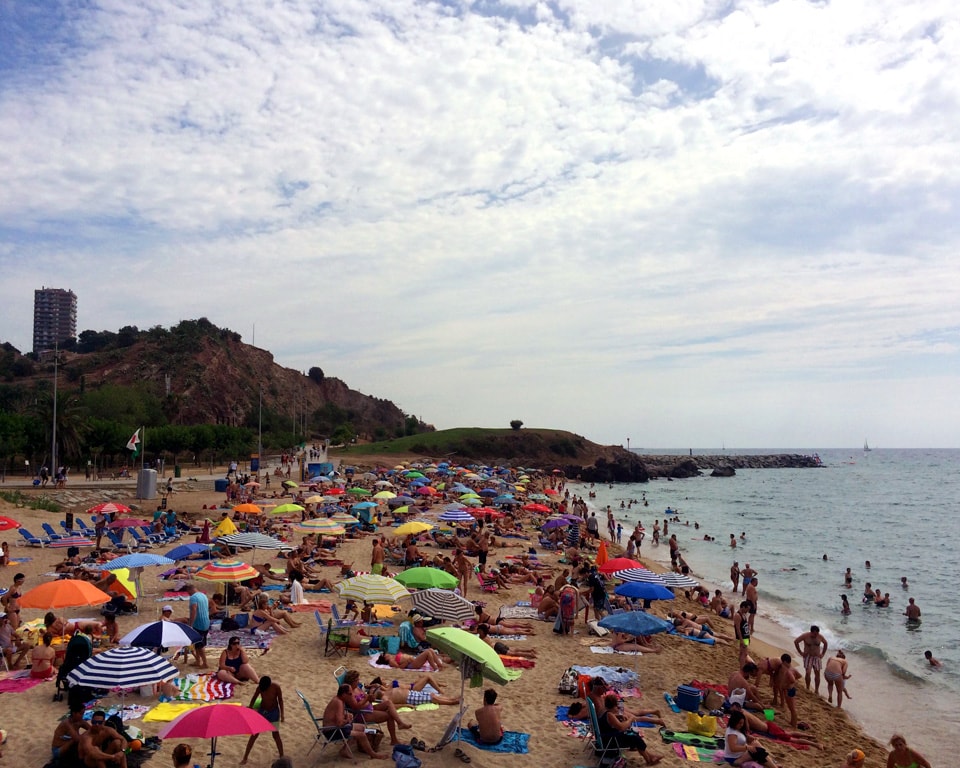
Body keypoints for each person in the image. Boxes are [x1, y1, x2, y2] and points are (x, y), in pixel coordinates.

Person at [341, 670, 413, 744]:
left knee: (388, 703)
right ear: (352, 681)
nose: (358, 681)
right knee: (390, 715)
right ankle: (394, 740)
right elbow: (356, 707)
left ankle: (400, 723)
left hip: (369, 707)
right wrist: (367, 699)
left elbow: (365, 696)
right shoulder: (349, 693)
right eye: (357, 680)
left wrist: (371, 696)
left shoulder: (357, 688)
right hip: (363, 714)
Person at [322, 684, 388, 759]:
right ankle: (373, 754)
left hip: (334, 728)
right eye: (350, 694)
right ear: (344, 694)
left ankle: (345, 750)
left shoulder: (338, 699)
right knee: (362, 735)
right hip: (333, 731)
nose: (351, 696)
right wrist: (348, 720)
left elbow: (337, 717)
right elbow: (339, 723)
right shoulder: (338, 703)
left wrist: (346, 716)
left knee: (362, 727)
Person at [597, 693, 663, 765]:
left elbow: (611, 721)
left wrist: (617, 716)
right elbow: (622, 727)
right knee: (635, 737)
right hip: (610, 741)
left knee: (634, 736)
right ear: (615, 705)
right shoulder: (609, 715)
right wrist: (630, 720)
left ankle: (650, 756)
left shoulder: (604, 712)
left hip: (605, 738)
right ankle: (649, 760)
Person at [240, 676, 284, 764]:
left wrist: (282, 714)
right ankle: (245, 757)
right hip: (263, 711)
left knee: (275, 735)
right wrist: (250, 707)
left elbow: (280, 700)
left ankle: (282, 756)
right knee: (254, 734)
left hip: (274, 712)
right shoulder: (260, 687)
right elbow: (254, 697)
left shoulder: (276, 687)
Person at [794, 625, 828, 693]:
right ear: (811, 632)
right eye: (814, 634)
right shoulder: (805, 636)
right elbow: (796, 641)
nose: (816, 635)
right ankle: (807, 688)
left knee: (817, 673)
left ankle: (816, 690)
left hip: (817, 657)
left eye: (817, 633)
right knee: (808, 672)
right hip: (808, 656)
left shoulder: (820, 636)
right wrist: (800, 652)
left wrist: (823, 654)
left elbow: (825, 643)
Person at [184, 584, 210, 669]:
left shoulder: (193, 598)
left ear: (190, 590)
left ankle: (205, 663)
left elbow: (194, 610)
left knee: (199, 644)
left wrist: (190, 624)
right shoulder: (203, 595)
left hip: (198, 623)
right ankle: (198, 661)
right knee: (198, 643)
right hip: (206, 621)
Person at [772, 653, 801, 728]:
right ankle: (792, 722)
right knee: (791, 707)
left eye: (782, 662)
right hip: (790, 689)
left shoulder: (788, 671)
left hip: (789, 690)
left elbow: (793, 680)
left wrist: (787, 684)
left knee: (792, 708)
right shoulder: (793, 669)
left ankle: (794, 724)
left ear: (785, 662)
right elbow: (799, 675)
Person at [377, 649, 443, 670]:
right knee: (428, 652)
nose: (387, 654)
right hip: (412, 664)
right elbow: (399, 668)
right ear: (385, 658)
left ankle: (439, 665)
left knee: (430, 650)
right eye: (385, 654)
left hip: (413, 660)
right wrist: (406, 662)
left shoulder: (392, 657)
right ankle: (435, 668)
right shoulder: (391, 661)